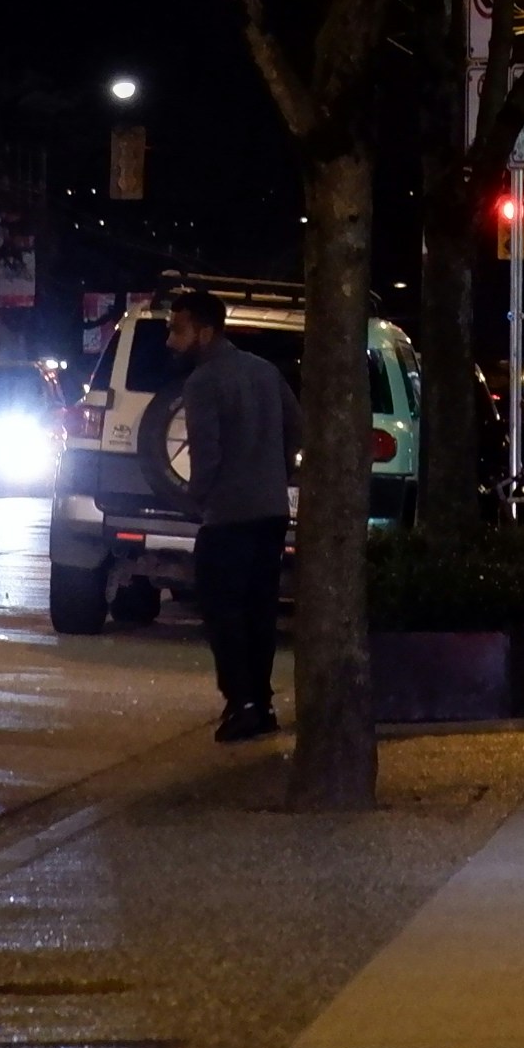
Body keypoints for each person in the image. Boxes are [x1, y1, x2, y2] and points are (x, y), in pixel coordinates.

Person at [148, 287, 294, 744]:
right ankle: (261, 702)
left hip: (227, 516)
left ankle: (242, 702)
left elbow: (206, 455)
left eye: (178, 329)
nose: (171, 340)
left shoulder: (203, 382)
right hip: (270, 512)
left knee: (222, 610)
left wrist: (195, 498)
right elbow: (298, 427)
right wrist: (274, 469)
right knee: (258, 609)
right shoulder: (266, 372)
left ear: (205, 332)